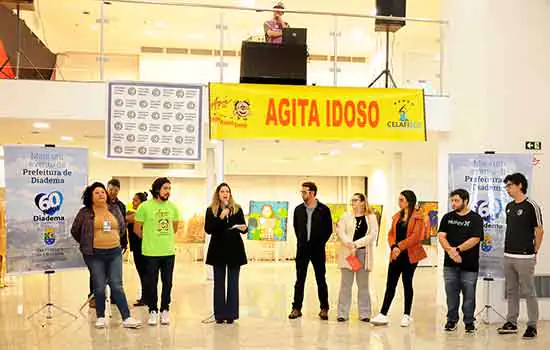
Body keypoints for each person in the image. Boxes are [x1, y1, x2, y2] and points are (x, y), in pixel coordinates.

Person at [70, 182, 141, 329]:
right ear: (90, 196)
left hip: (114, 252)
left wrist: (114, 240)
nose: (101, 195)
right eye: (97, 193)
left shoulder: (114, 209)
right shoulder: (85, 212)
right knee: (99, 286)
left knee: (117, 285)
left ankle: (126, 317)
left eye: (103, 192)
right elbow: (75, 231)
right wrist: (87, 242)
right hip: (94, 254)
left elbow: (121, 228)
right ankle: (101, 316)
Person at [497, 173, 544, 339]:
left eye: (510, 186)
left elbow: (539, 230)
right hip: (508, 255)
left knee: (528, 291)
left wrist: (534, 251)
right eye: (507, 186)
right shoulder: (509, 206)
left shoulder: (531, 205)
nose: (507, 189)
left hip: (525, 257)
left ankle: (532, 326)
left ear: (520, 185)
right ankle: (512, 322)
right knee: (511, 290)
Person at [371, 190, 426, 327]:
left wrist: (399, 247)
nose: (399, 202)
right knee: (390, 284)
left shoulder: (418, 217)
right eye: (399, 199)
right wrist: (393, 246)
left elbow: (415, 236)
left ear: (409, 201)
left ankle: (406, 315)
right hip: (396, 254)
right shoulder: (397, 216)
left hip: (410, 254)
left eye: (401, 200)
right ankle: (383, 314)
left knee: (407, 282)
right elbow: (390, 234)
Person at [135, 177, 181, 326]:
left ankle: (165, 309)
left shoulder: (173, 208)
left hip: (168, 252)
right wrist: (150, 238)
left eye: (169, 189)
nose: (168, 192)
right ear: (157, 189)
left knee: (167, 283)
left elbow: (174, 228)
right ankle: (153, 310)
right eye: (165, 188)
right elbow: (137, 229)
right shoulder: (144, 207)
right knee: (151, 283)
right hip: (150, 253)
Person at [438, 189, 484, 333]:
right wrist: (451, 252)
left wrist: (456, 250)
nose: (453, 203)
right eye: (452, 200)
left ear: (465, 201)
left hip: (469, 265)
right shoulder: (447, 217)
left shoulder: (475, 218)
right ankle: (451, 320)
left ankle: (469, 321)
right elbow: (441, 236)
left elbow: (475, 239)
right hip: (450, 265)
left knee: (469, 295)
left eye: (457, 200)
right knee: (451, 294)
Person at [204, 183, 248, 324]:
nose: (225, 194)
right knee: (219, 283)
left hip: (235, 249)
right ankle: (219, 315)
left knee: (233, 283)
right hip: (218, 250)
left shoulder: (237, 209)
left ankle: (231, 315)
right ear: (218, 194)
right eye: (222, 191)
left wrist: (243, 228)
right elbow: (209, 229)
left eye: (227, 191)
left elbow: (244, 227)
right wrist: (221, 217)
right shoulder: (211, 210)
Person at [289, 181, 333, 320]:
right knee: (299, 280)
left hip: (318, 249)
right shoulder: (298, 210)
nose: (302, 194)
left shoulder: (324, 210)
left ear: (312, 193)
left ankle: (324, 308)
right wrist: (303, 241)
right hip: (302, 249)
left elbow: (328, 230)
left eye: (304, 191)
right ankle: (296, 308)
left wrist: (319, 243)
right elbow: (297, 228)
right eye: (301, 191)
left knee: (321, 279)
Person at [336, 193, 379, 322]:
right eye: (352, 200)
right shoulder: (346, 216)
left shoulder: (371, 217)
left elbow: (372, 235)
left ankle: (365, 313)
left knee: (363, 285)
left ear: (362, 202)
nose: (352, 203)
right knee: (345, 285)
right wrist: (349, 244)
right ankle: (342, 313)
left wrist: (356, 244)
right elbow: (340, 232)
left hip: (363, 254)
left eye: (355, 200)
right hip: (349, 253)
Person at [126, 192, 148, 307]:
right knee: (142, 273)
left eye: (136, 200)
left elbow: (126, 219)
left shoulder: (139, 214)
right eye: (133, 200)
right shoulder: (134, 213)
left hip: (142, 248)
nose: (133, 202)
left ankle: (146, 297)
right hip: (136, 247)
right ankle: (145, 297)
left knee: (144, 273)